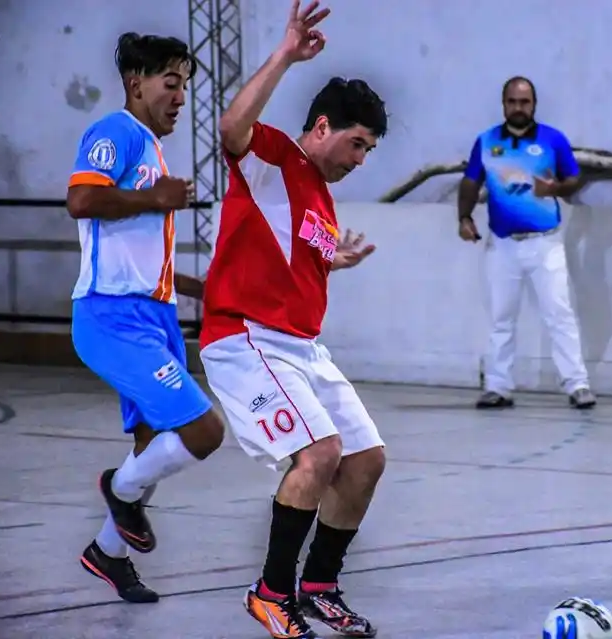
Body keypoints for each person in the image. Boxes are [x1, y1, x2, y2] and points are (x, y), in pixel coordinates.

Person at [199, 2, 386, 637]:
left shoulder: (321, 198)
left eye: (370, 149)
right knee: (319, 455)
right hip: (244, 337)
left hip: (302, 346)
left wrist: (334, 262)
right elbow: (230, 128)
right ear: (324, 126)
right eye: (357, 143)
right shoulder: (274, 156)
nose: (361, 159)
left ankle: (318, 586)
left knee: (364, 459)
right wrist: (285, 54)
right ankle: (270, 594)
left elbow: (291, 259)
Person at [66, 32, 226, 604]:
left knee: (151, 441)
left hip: (152, 312)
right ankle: (118, 490)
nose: (180, 96)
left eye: (184, 84)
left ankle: (108, 553)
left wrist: (194, 288)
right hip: (112, 316)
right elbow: (82, 201)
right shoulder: (115, 131)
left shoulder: (151, 149)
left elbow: (137, 251)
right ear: (136, 83)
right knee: (204, 431)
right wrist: (155, 200)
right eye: (171, 82)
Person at [457, 76, 597, 410]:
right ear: (503, 103)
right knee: (500, 318)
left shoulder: (553, 140)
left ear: (534, 104)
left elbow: (575, 178)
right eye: (512, 102)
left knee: (559, 315)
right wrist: (463, 217)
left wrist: (557, 189)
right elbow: (470, 180)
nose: (518, 108)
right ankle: (498, 387)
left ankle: (577, 385)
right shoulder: (486, 141)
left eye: (525, 102)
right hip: (502, 245)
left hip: (546, 245)